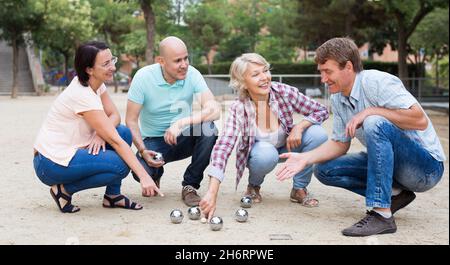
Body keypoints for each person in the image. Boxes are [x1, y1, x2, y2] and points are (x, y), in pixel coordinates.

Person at [276, 37, 446, 237]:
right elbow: (339, 144)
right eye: (321, 72)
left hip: (426, 169)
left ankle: (382, 215)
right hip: (395, 169)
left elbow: (419, 120)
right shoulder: (338, 97)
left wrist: (369, 111)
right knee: (324, 169)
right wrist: (305, 158)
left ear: (348, 66)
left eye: (328, 72)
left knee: (374, 121)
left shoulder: (377, 82)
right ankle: (395, 195)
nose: (323, 79)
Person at [33, 41, 162, 213]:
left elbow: (114, 115)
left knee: (123, 131)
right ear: (89, 69)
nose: (113, 67)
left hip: (70, 151)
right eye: (106, 64)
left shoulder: (95, 84)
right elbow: (116, 143)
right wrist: (144, 176)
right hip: (50, 163)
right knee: (121, 166)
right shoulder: (82, 95)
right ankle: (63, 191)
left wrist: (101, 134)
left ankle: (112, 196)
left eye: (112, 60)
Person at [200, 53, 329, 220]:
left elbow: (321, 110)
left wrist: (300, 126)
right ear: (242, 83)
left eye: (265, 70)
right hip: (261, 154)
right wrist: (212, 192)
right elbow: (223, 147)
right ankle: (253, 186)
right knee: (266, 154)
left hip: (287, 146)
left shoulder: (283, 92)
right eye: (255, 74)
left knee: (318, 134)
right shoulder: (239, 108)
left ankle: (299, 188)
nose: (264, 77)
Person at [126, 36, 220, 207]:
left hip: (183, 136)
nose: (184, 64)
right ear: (161, 61)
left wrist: (181, 123)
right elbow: (131, 121)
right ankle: (155, 172)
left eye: (186, 58)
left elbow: (214, 109)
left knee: (209, 129)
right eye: (177, 60)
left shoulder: (192, 74)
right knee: (139, 170)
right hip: (154, 141)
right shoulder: (143, 77)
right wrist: (142, 149)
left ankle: (190, 185)